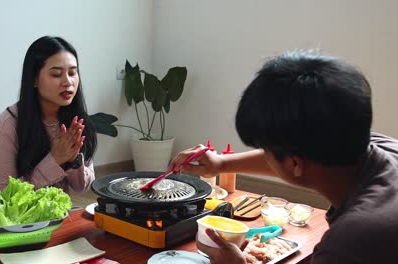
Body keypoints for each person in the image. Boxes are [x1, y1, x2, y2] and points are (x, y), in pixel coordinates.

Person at [170, 50, 398, 263]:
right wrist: (221, 164)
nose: (265, 156)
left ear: (294, 162)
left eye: (266, 150)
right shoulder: (379, 146)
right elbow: (298, 156)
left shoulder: (354, 240)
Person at [0, 36, 97, 194]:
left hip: (57, 216)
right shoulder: (7, 125)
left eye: (72, 73)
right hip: (13, 218)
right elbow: (2, 195)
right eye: (56, 74)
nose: (68, 82)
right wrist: (55, 160)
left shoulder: (75, 120)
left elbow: (83, 187)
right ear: (34, 80)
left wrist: (73, 160)